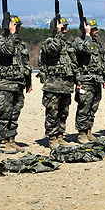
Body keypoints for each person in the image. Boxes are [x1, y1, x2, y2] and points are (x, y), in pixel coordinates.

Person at [0, 14, 32, 153]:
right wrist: (11, 34)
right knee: (5, 114)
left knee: (14, 114)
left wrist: (28, 81)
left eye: (18, 27)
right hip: (4, 83)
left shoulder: (19, 43)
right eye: (15, 26)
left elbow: (25, 63)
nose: (18, 29)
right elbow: (7, 51)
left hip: (18, 83)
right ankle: (3, 142)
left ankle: (11, 140)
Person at [39, 16, 79, 148]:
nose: (65, 30)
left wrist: (77, 80)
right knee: (52, 112)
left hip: (66, 84)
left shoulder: (67, 44)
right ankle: (52, 138)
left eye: (65, 28)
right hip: (53, 85)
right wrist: (58, 34)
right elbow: (54, 50)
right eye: (63, 28)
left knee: (64, 112)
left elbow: (74, 63)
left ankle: (60, 136)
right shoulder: (49, 43)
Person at [72, 19, 105, 143]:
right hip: (85, 80)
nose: (97, 30)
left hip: (96, 80)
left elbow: (102, 61)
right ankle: (81, 133)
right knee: (84, 107)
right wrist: (87, 35)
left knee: (93, 107)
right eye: (94, 29)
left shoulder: (96, 44)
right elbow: (86, 50)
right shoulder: (79, 41)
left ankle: (88, 130)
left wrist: (104, 78)